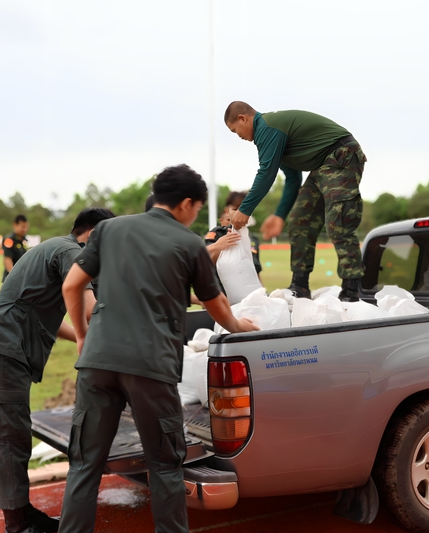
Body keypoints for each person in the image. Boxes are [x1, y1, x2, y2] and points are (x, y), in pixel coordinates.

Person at [58, 164, 258, 533]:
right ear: (185, 203)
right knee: (165, 466)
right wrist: (238, 325)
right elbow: (215, 304)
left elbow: (72, 286)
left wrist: (84, 336)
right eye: (197, 208)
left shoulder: (108, 229)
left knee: (85, 464)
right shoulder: (189, 243)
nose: (196, 216)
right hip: (150, 366)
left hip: (98, 361)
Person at [0, 207, 115, 533]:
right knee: (9, 437)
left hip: (0, 347)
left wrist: (77, 335)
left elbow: (50, 315)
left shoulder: (55, 247)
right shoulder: (69, 251)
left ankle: (21, 513)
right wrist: (87, 334)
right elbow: (89, 306)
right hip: (2, 350)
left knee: (11, 433)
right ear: (93, 235)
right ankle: (17, 524)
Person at [224, 101, 367, 301]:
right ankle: (299, 286)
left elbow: (266, 173)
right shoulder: (269, 135)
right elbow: (292, 179)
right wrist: (280, 215)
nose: (237, 135)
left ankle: (352, 289)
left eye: (234, 130)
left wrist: (244, 210)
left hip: (340, 155)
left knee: (338, 222)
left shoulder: (267, 127)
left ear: (243, 118)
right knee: (300, 220)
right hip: (321, 166)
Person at [3, 214, 29, 282]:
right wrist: (14, 277)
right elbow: (7, 260)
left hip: (23, 277)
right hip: (12, 278)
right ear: (15, 225)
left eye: (26, 227)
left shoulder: (24, 240)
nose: (25, 230)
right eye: (23, 227)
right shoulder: (9, 240)